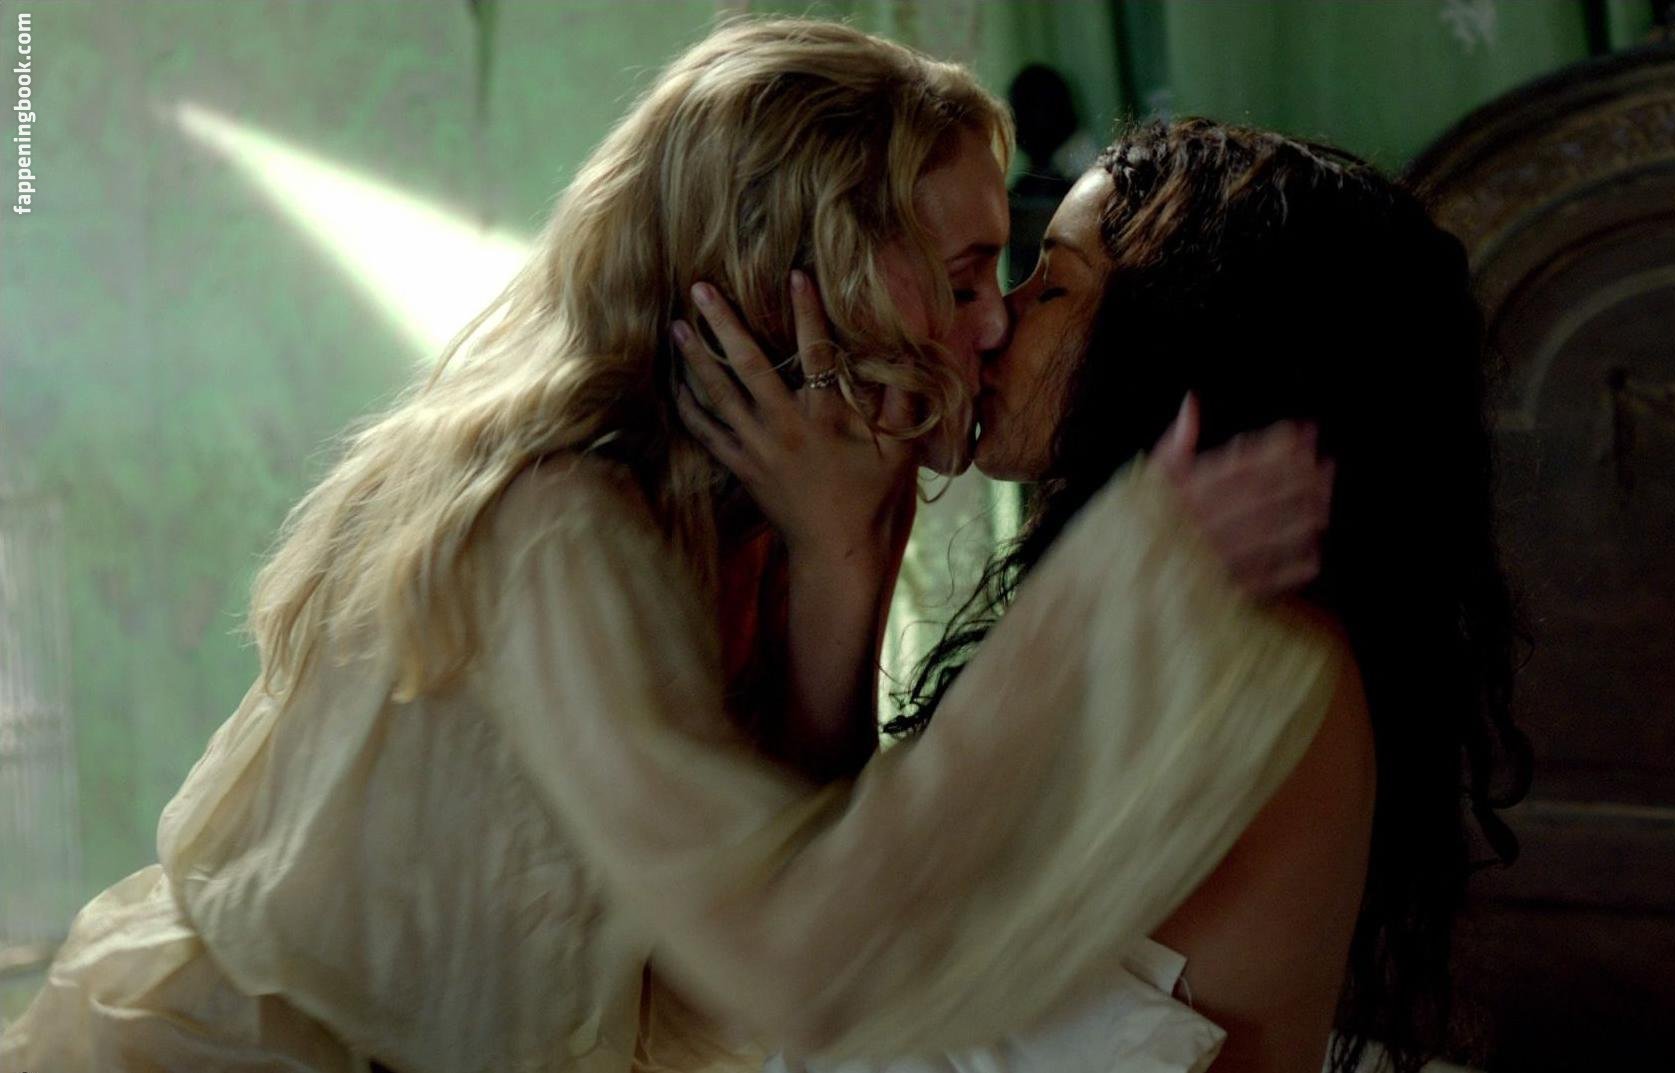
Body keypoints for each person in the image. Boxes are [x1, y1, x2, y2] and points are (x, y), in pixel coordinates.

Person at [1, 20, 1343, 1073]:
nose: (990, 324)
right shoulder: (557, 526)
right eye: (960, 277)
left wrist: (843, 568)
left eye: (1013, 278)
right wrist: (1106, 590)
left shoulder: (765, 511)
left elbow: (765, 915)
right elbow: (784, 964)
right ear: (800, 273)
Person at [692, 118, 1535, 1073]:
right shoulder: (1182, 606)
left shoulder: (1239, 641)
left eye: (1050, 284)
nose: (995, 322)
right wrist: (853, 548)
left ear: (1181, 346)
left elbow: (828, 948)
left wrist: (845, 548)